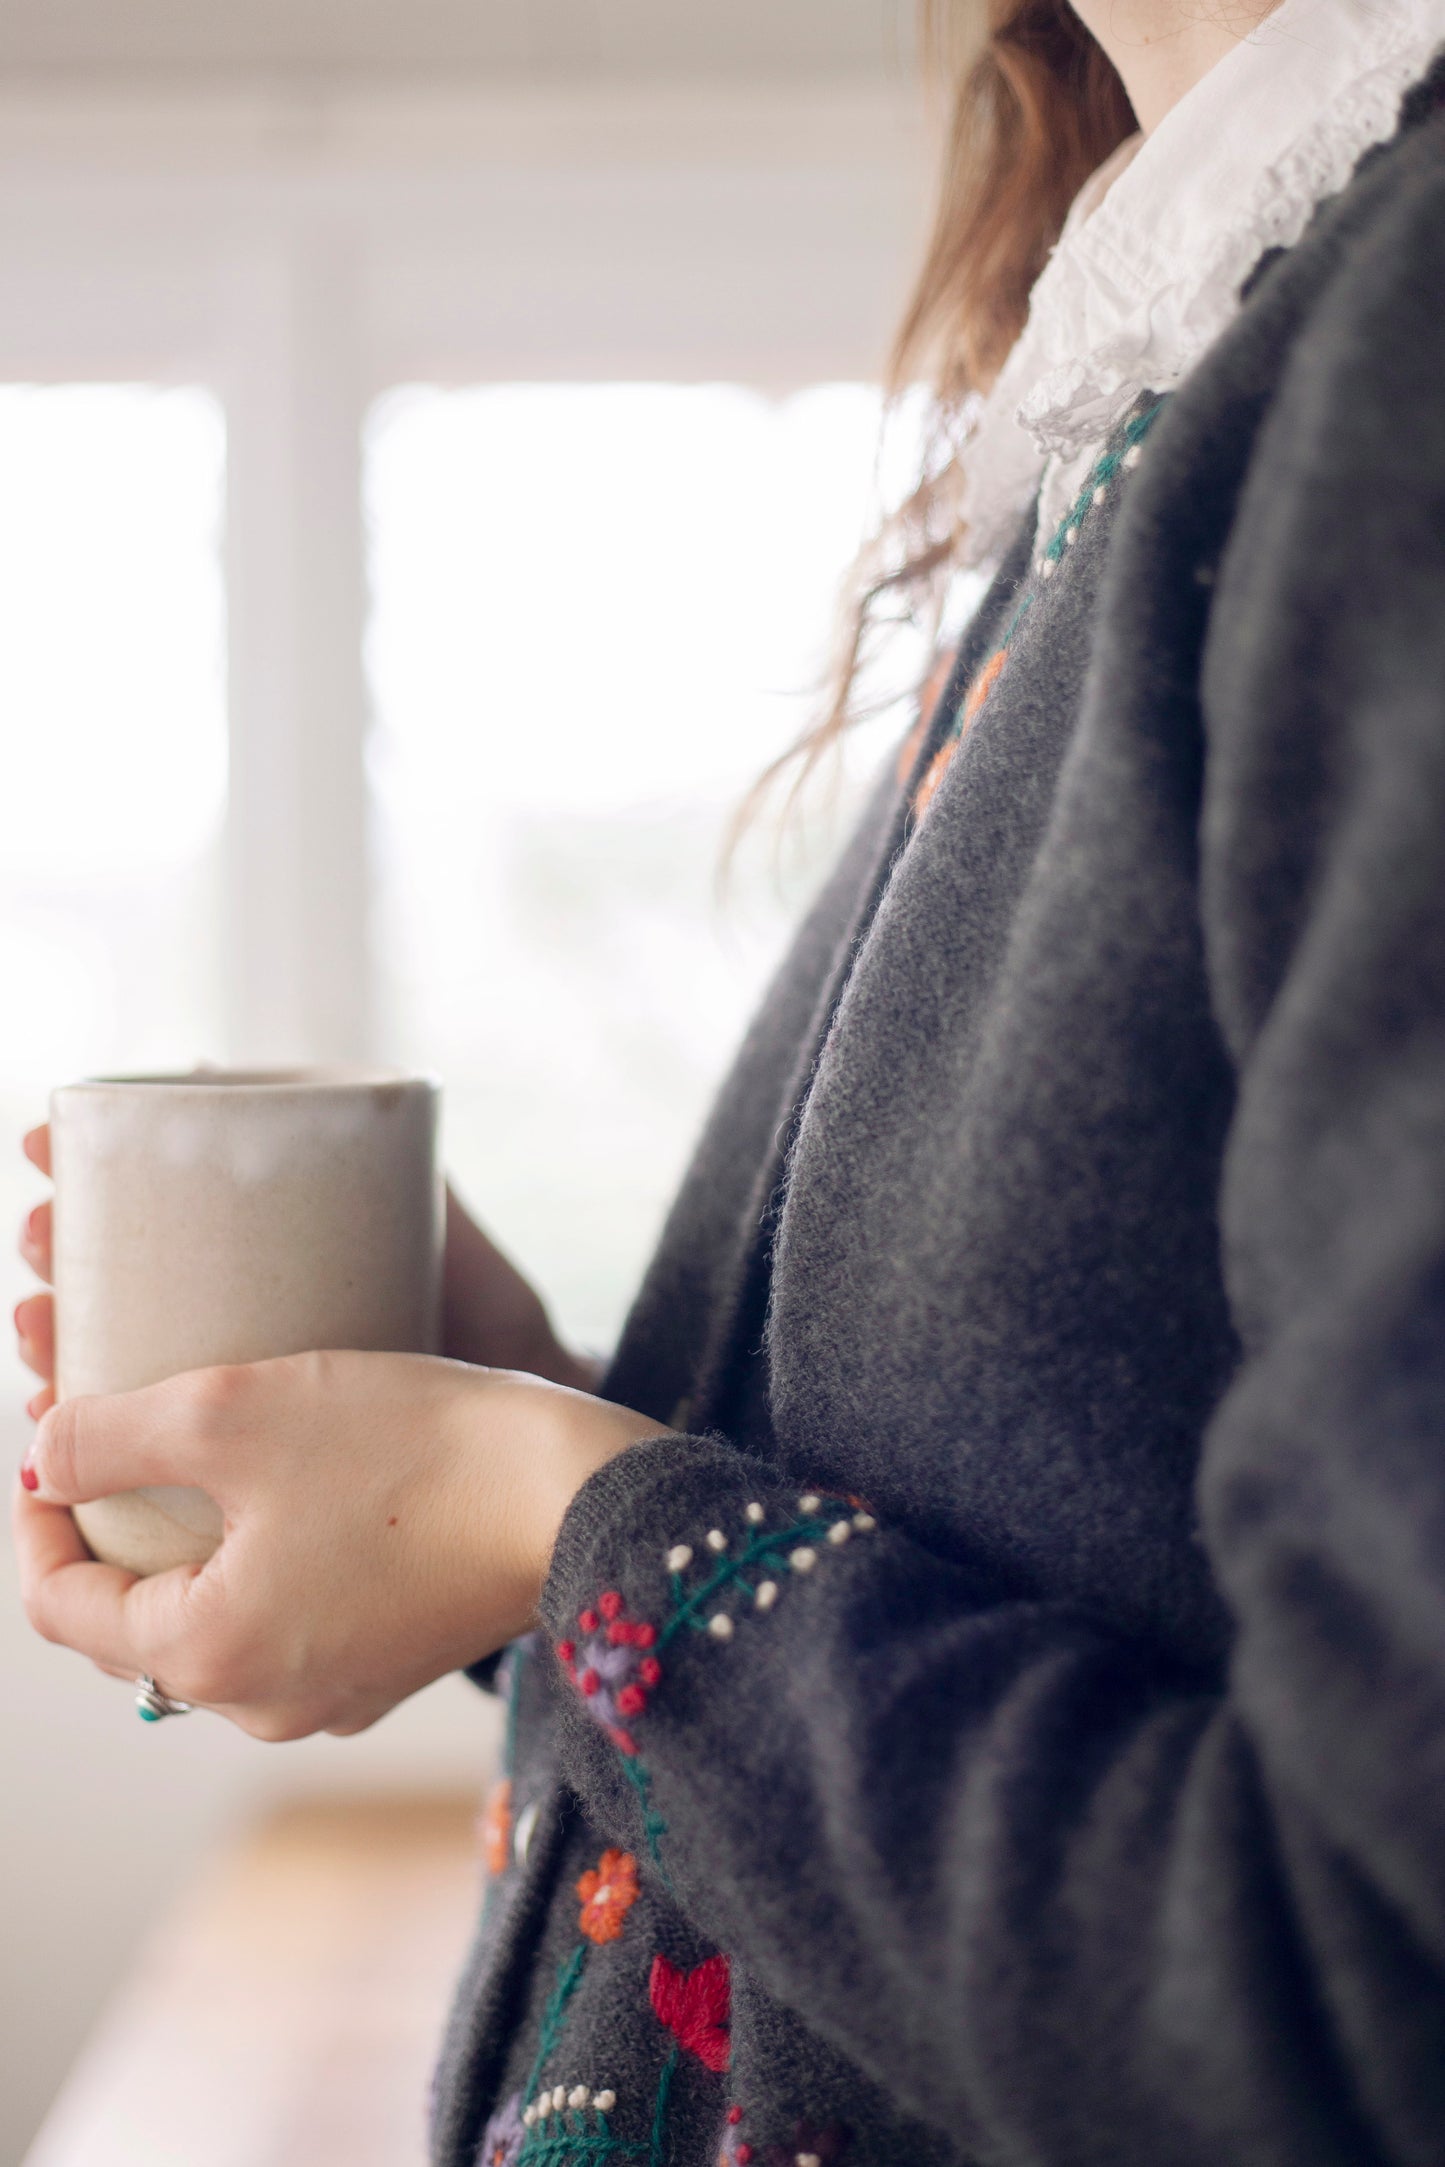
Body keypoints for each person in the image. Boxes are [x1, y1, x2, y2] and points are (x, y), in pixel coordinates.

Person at [14, 0, 1445, 2157]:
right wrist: (529, 1429)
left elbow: (1365, 2010)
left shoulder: (1398, 373)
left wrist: (547, 1507)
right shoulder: (1190, 355)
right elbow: (1019, 1579)